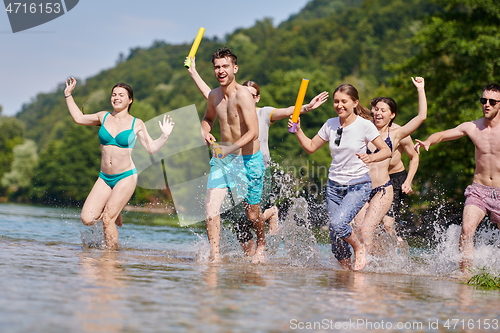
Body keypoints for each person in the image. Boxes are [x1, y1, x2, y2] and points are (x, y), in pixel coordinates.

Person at [186, 56, 329, 235]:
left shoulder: (264, 113)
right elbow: (210, 94)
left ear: (257, 98)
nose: (248, 98)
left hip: (259, 167)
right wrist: (193, 72)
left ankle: (270, 214)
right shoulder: (228, 104)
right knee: (239, 219)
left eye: (252, 95)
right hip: (232, 163)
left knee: (251, 216)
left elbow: (286, 111)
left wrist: (306, 107)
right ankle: (244, 258)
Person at [289, 83, 391, 271]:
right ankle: (345, 274)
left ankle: (358, 247)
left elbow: (386, 151)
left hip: (358, 185)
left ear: (355, 103)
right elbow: (311, 147)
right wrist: (298, 131)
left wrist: (371, 157)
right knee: (335, 236)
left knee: (338, 224)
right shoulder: (330, 124)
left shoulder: (365, 125)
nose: (339, 105)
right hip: (334, 186)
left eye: (344, 101)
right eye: (336, 102)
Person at [64, 78, 174, 249]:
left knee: (107, 219)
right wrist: (68, 95)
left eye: (121, 95)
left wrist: (164, 136)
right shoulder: (103, 116)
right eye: (114, 94)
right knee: (87, 219)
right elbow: (79, 118)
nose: (116, 98)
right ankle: (116, 209)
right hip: (104, 177)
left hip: (126, 176)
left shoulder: (136, 123)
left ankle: (111, 258)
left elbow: (151, 148)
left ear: (130, 100)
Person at [415, 83, 500, 272]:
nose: (486, 104)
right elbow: (444, 134)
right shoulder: (473, 127)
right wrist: (429, 140)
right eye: (483, 100)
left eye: (492, 101)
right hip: (479, 190)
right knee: (466, 230)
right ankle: (464, 276)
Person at [200, 48, 266, 263]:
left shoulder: (244, 95)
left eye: (225, 66)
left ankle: (262, 243)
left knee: (253, 215)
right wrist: (205, 131)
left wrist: (228, 148)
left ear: (234, 68)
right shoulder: (214, 95)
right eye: (217, 67)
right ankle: (215, 256)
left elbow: (253, 132)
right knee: (211, 208)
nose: (221, 70)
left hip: (249, 160)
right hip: (223, 161)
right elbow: (208, 119)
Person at [354, 77, 427, 255]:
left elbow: (421, 117)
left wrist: (420, 89)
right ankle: (374, 256)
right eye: (376, 109)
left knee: (386, 225)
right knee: (361, 229)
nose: (378, 113)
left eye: (383, 110)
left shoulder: (397, 133)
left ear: (392, 114)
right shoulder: (365, 127)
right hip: (364, 185)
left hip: (391, 182)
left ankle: (392, 250)